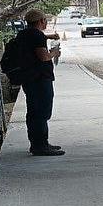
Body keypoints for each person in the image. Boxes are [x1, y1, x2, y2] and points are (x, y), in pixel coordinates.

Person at [14, 9, 64, 156]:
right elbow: (43, 57)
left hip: (29, 78)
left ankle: (38, 142)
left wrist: (48, 37)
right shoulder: (37, 35)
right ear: (41, 21)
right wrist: (54, 52)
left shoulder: (24, 33)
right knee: (41, 111)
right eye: (45, 20)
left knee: (34, 111)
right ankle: (40, 145)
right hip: (39, 78)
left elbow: (34, 41)